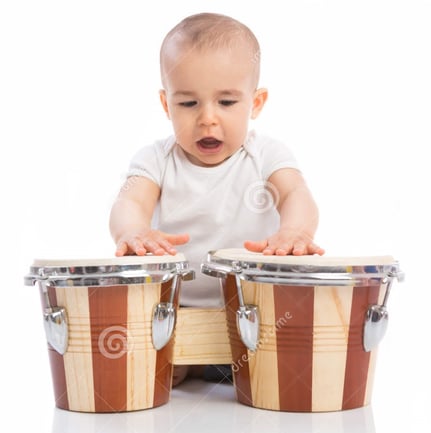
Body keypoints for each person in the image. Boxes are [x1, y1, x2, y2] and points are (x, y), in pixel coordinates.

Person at [109, 12, 324, 385]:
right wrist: (133, 230)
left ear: (256, 103)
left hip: (253, 306)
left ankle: (234, 364)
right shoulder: (157, 159)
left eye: (226, 102)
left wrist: (295, 231)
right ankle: (191, 363)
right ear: (166, 104)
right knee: (162, 373)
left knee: (275, 373)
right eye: (188, 104)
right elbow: (130, 203)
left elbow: (295, 194)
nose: (207, 119)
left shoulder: (266, 154)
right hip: (176, 307)